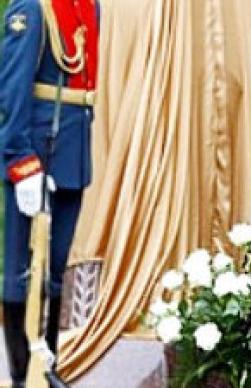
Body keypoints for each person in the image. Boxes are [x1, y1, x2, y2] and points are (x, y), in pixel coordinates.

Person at [0, 0, 99, 386]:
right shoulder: (33, 6)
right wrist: (21, 160)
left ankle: (48, 366)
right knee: (23, 272)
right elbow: (11, 91)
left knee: (55, 270)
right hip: (37, 150)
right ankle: (24, 375)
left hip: (72, 151)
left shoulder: (89, 7)